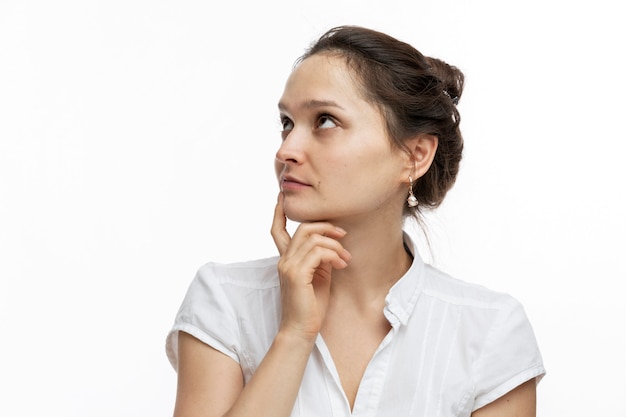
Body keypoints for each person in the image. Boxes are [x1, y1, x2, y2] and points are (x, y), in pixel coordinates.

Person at [165, 25, 545, 417]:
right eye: (287, 123)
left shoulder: (489, 331)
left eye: (325, 121)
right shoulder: (224, 302)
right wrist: (295, 335)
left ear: (414, 155)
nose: (286, 150)